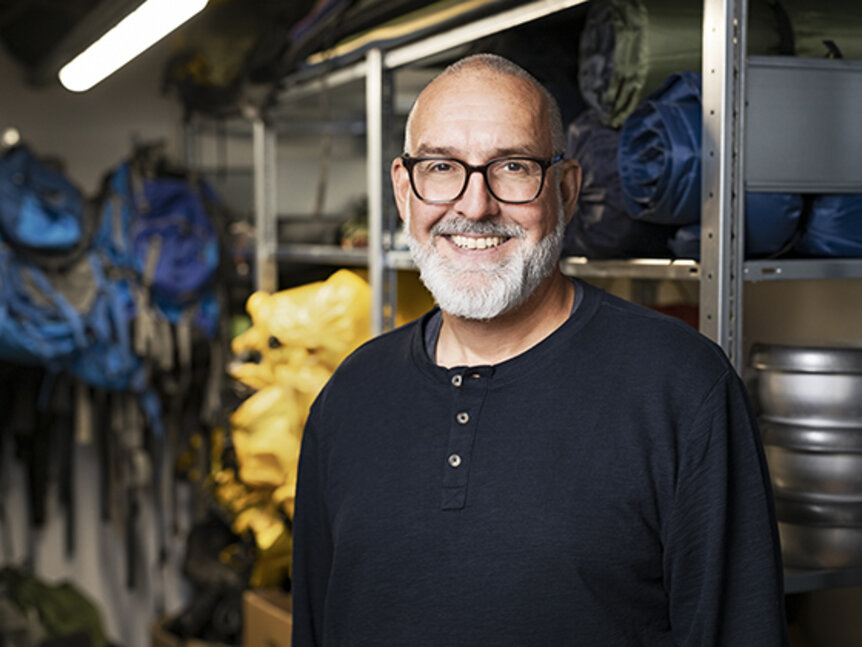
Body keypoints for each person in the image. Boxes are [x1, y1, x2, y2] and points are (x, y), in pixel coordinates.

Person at [291, 53, 788, 646]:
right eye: (442, 167)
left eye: (513, 167)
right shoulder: (349, 397)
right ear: (404, 191)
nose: (475, 206)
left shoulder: (681, 388)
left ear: (567, 190)